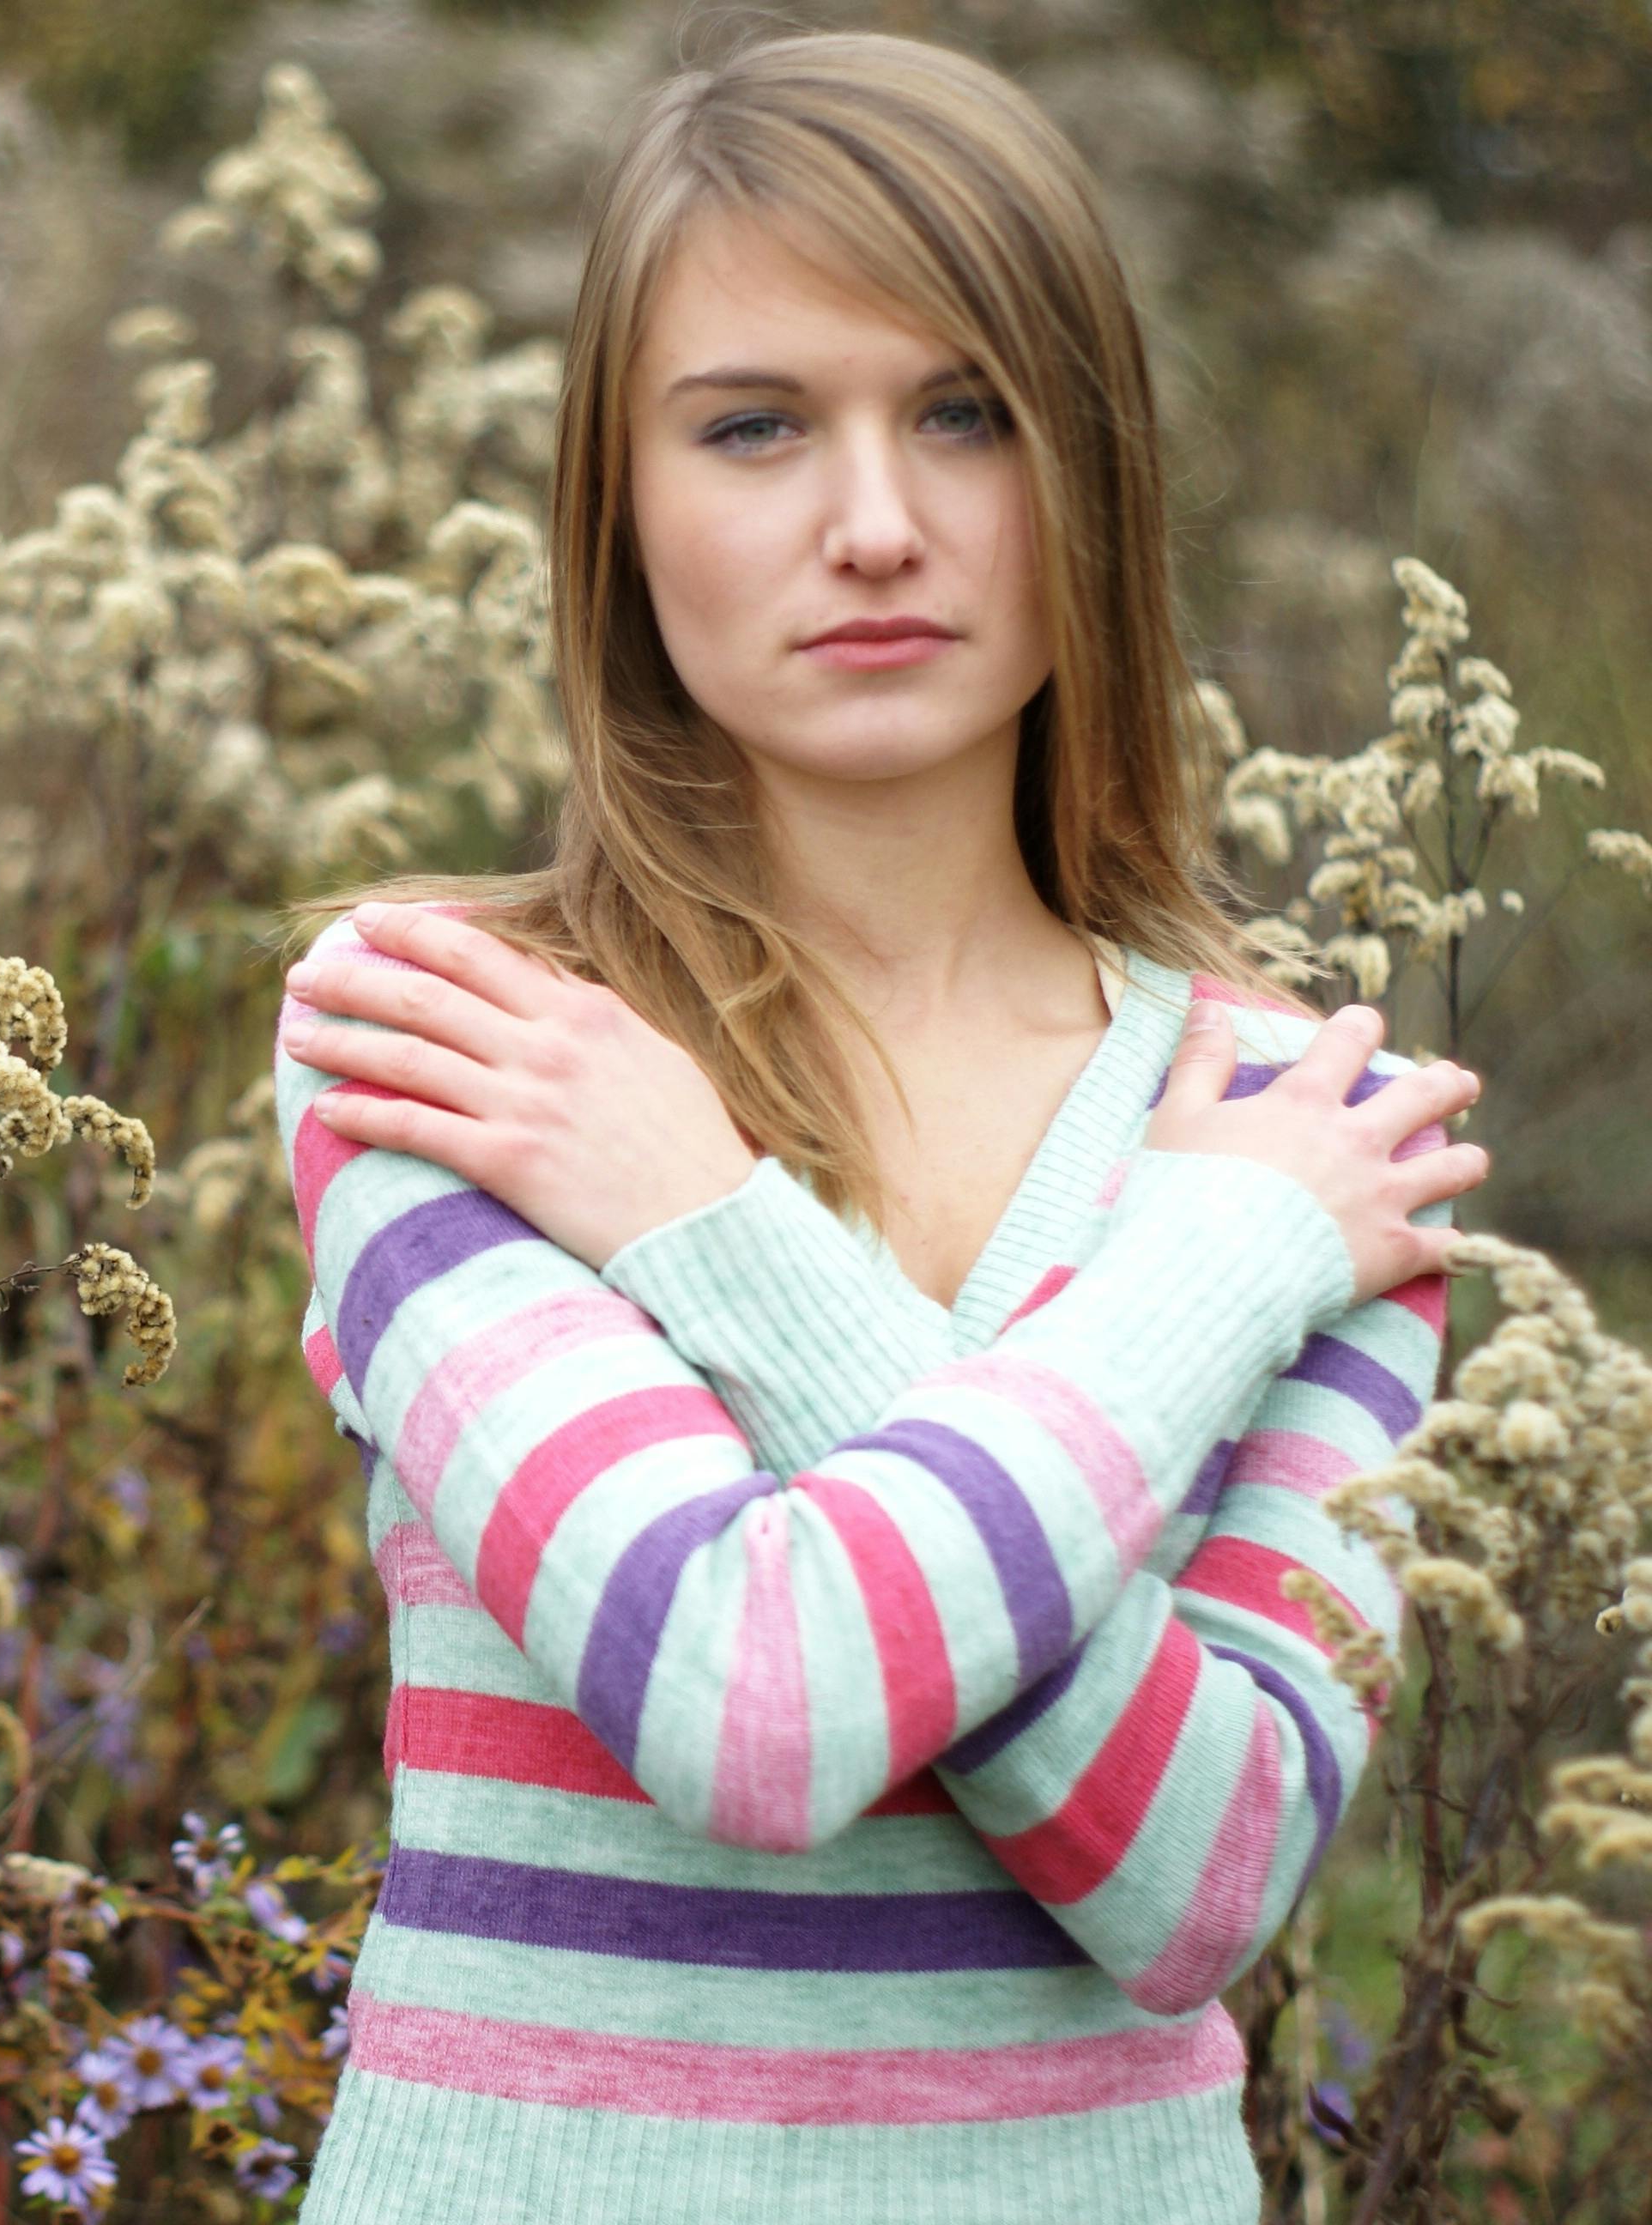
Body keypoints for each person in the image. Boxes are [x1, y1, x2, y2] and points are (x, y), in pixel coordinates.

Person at [268, 27, 1487, 2225]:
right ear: (616, 507)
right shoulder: (452, 1036)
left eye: (966, 414)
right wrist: (1206, 1276)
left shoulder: (1315, 1137)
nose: (874, 525)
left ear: (1089, 474)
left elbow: (1203, 1883)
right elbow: (746, 1705)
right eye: (752, 427)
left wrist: (710, 1235)